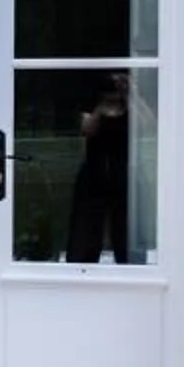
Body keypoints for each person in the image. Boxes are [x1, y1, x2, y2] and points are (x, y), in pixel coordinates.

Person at [66, 71, 140, 264]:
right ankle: (84, 268)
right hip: (94, 173)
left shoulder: (131, 105)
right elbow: (86, 129)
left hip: (124, 174)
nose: (113, 89)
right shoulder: (93, 102)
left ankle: (129, 266)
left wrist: (131, 96)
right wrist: (101, 108)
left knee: (124, 231)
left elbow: (148, 125)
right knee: (87, 231)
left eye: (118, 83)